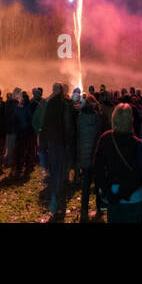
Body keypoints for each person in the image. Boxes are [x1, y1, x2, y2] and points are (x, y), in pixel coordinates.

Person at [93, 103, 142, 223]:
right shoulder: (137, 144)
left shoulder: (106, 140)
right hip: (133, 197)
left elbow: (98, 170)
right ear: (130, 120)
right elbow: (140, 174)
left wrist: (108, 192)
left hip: (113, 193)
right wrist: (123, 193)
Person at [38, 83, 73, 219]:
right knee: (61, 169)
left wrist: (45, 140)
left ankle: (54, 199)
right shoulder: (64, 105)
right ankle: (58, 196)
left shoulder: (48, 104)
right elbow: (67, 124)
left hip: (51, 141)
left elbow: (45, 123)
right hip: (61, 141)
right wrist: (69, 140)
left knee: (54, 168)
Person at [74, 94, 103, 221]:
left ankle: (84, 208)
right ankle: (99, 207)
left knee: (86, 183)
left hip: (84, 156)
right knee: (98, 184)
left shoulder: (79, 119)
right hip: (95, 156)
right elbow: (99, 134)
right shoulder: (97, 118)